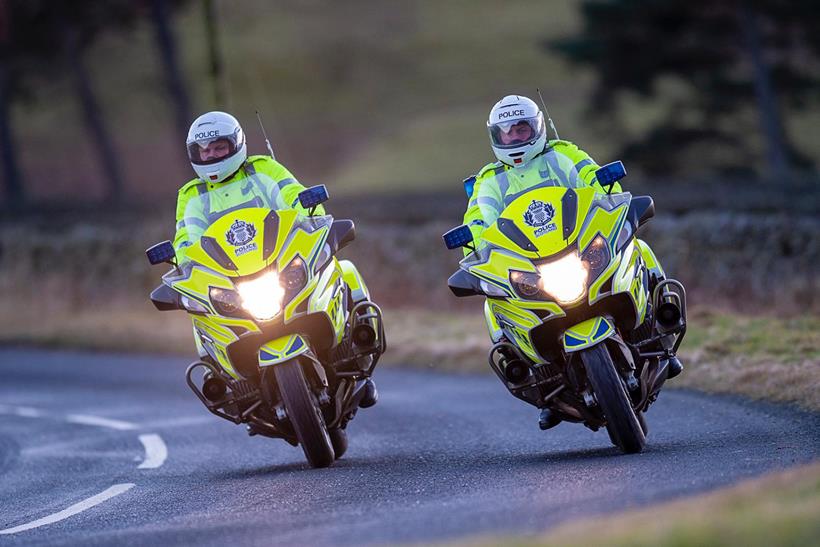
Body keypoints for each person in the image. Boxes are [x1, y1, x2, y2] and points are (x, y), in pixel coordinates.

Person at [461, 95, 682, 429]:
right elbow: (478, 221)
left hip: (577, 248)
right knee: (493, 307)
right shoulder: (489, 181)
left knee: (639, 249)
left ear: (537, 128)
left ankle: (662, 325)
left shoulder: (563, 155)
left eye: (522, 129)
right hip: (531, 264)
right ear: (496, 137)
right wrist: (473, 251)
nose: (515, 137)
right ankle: (539, 380)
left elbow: (596, 181)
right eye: (507, 133)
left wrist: (615, 202)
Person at [173, 111, 323, 261]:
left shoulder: (263, 169)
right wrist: (182, 261)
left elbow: (292, 194)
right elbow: (187, 236)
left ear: (236, 144)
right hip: (223, 275)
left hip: (283, 257)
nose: (211, 155)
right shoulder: (191, 195)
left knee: (341, 268)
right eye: (204, 150)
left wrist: (312, 218)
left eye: (219, 148)